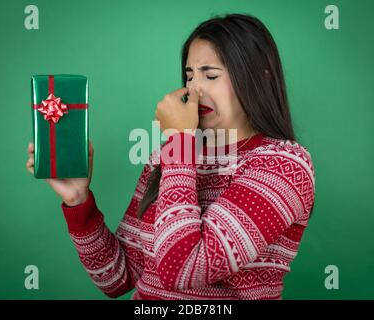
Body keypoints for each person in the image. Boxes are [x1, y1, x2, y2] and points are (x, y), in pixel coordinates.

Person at [26, 13, 315, 300]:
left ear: (260, 76)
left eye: (211, 75)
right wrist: (78, 201)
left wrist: (179, 141)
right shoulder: (169, 157)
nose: (194, 89)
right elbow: (118, 278)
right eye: (189, 75)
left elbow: (183, 269)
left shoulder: (285, 165)